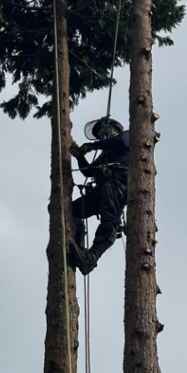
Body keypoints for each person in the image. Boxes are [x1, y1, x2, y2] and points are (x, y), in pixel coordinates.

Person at [69, 116, 129, 275]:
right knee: (72, 210)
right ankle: (79, 248)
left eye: (102, 131)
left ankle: (92, 257)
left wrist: (93, 146)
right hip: (102, 188)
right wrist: (79, 156)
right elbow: (89, 172)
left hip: (117, 185)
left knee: (109, 218)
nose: (101, 136)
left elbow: (120, 142)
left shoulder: (129, 136)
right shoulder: (105, 155)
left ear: (113, 128)